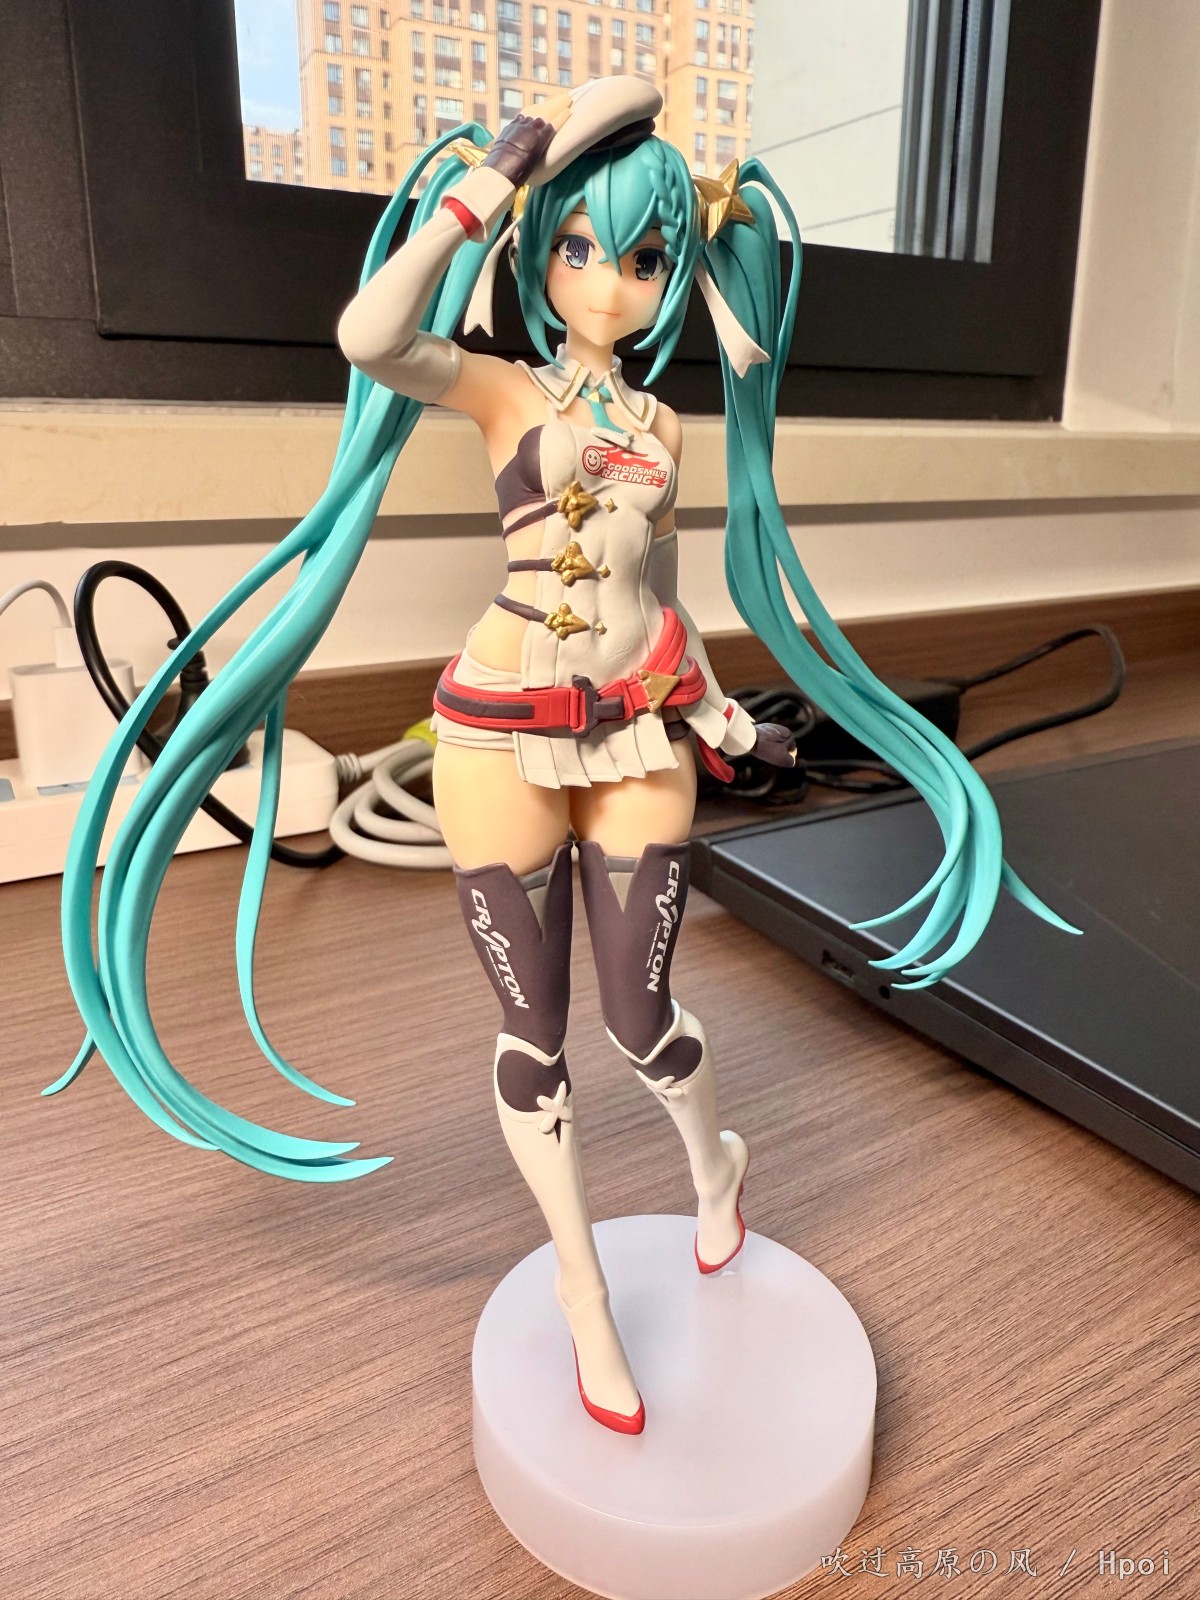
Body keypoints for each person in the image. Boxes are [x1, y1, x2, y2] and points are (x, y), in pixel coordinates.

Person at [57, 77, 1078, 1436]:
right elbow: (370, 336)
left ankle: (713, 1167)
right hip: (497, 738)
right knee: (532, 1041)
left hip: (640, 735)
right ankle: (583, 1292)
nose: (610, 284)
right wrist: (490, 183)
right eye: (583, 248)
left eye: (645, 259)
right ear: (540, 251)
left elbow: (665, 599)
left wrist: (718, 715)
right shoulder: (500, 390)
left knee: (639, 1020)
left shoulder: (663, 428)